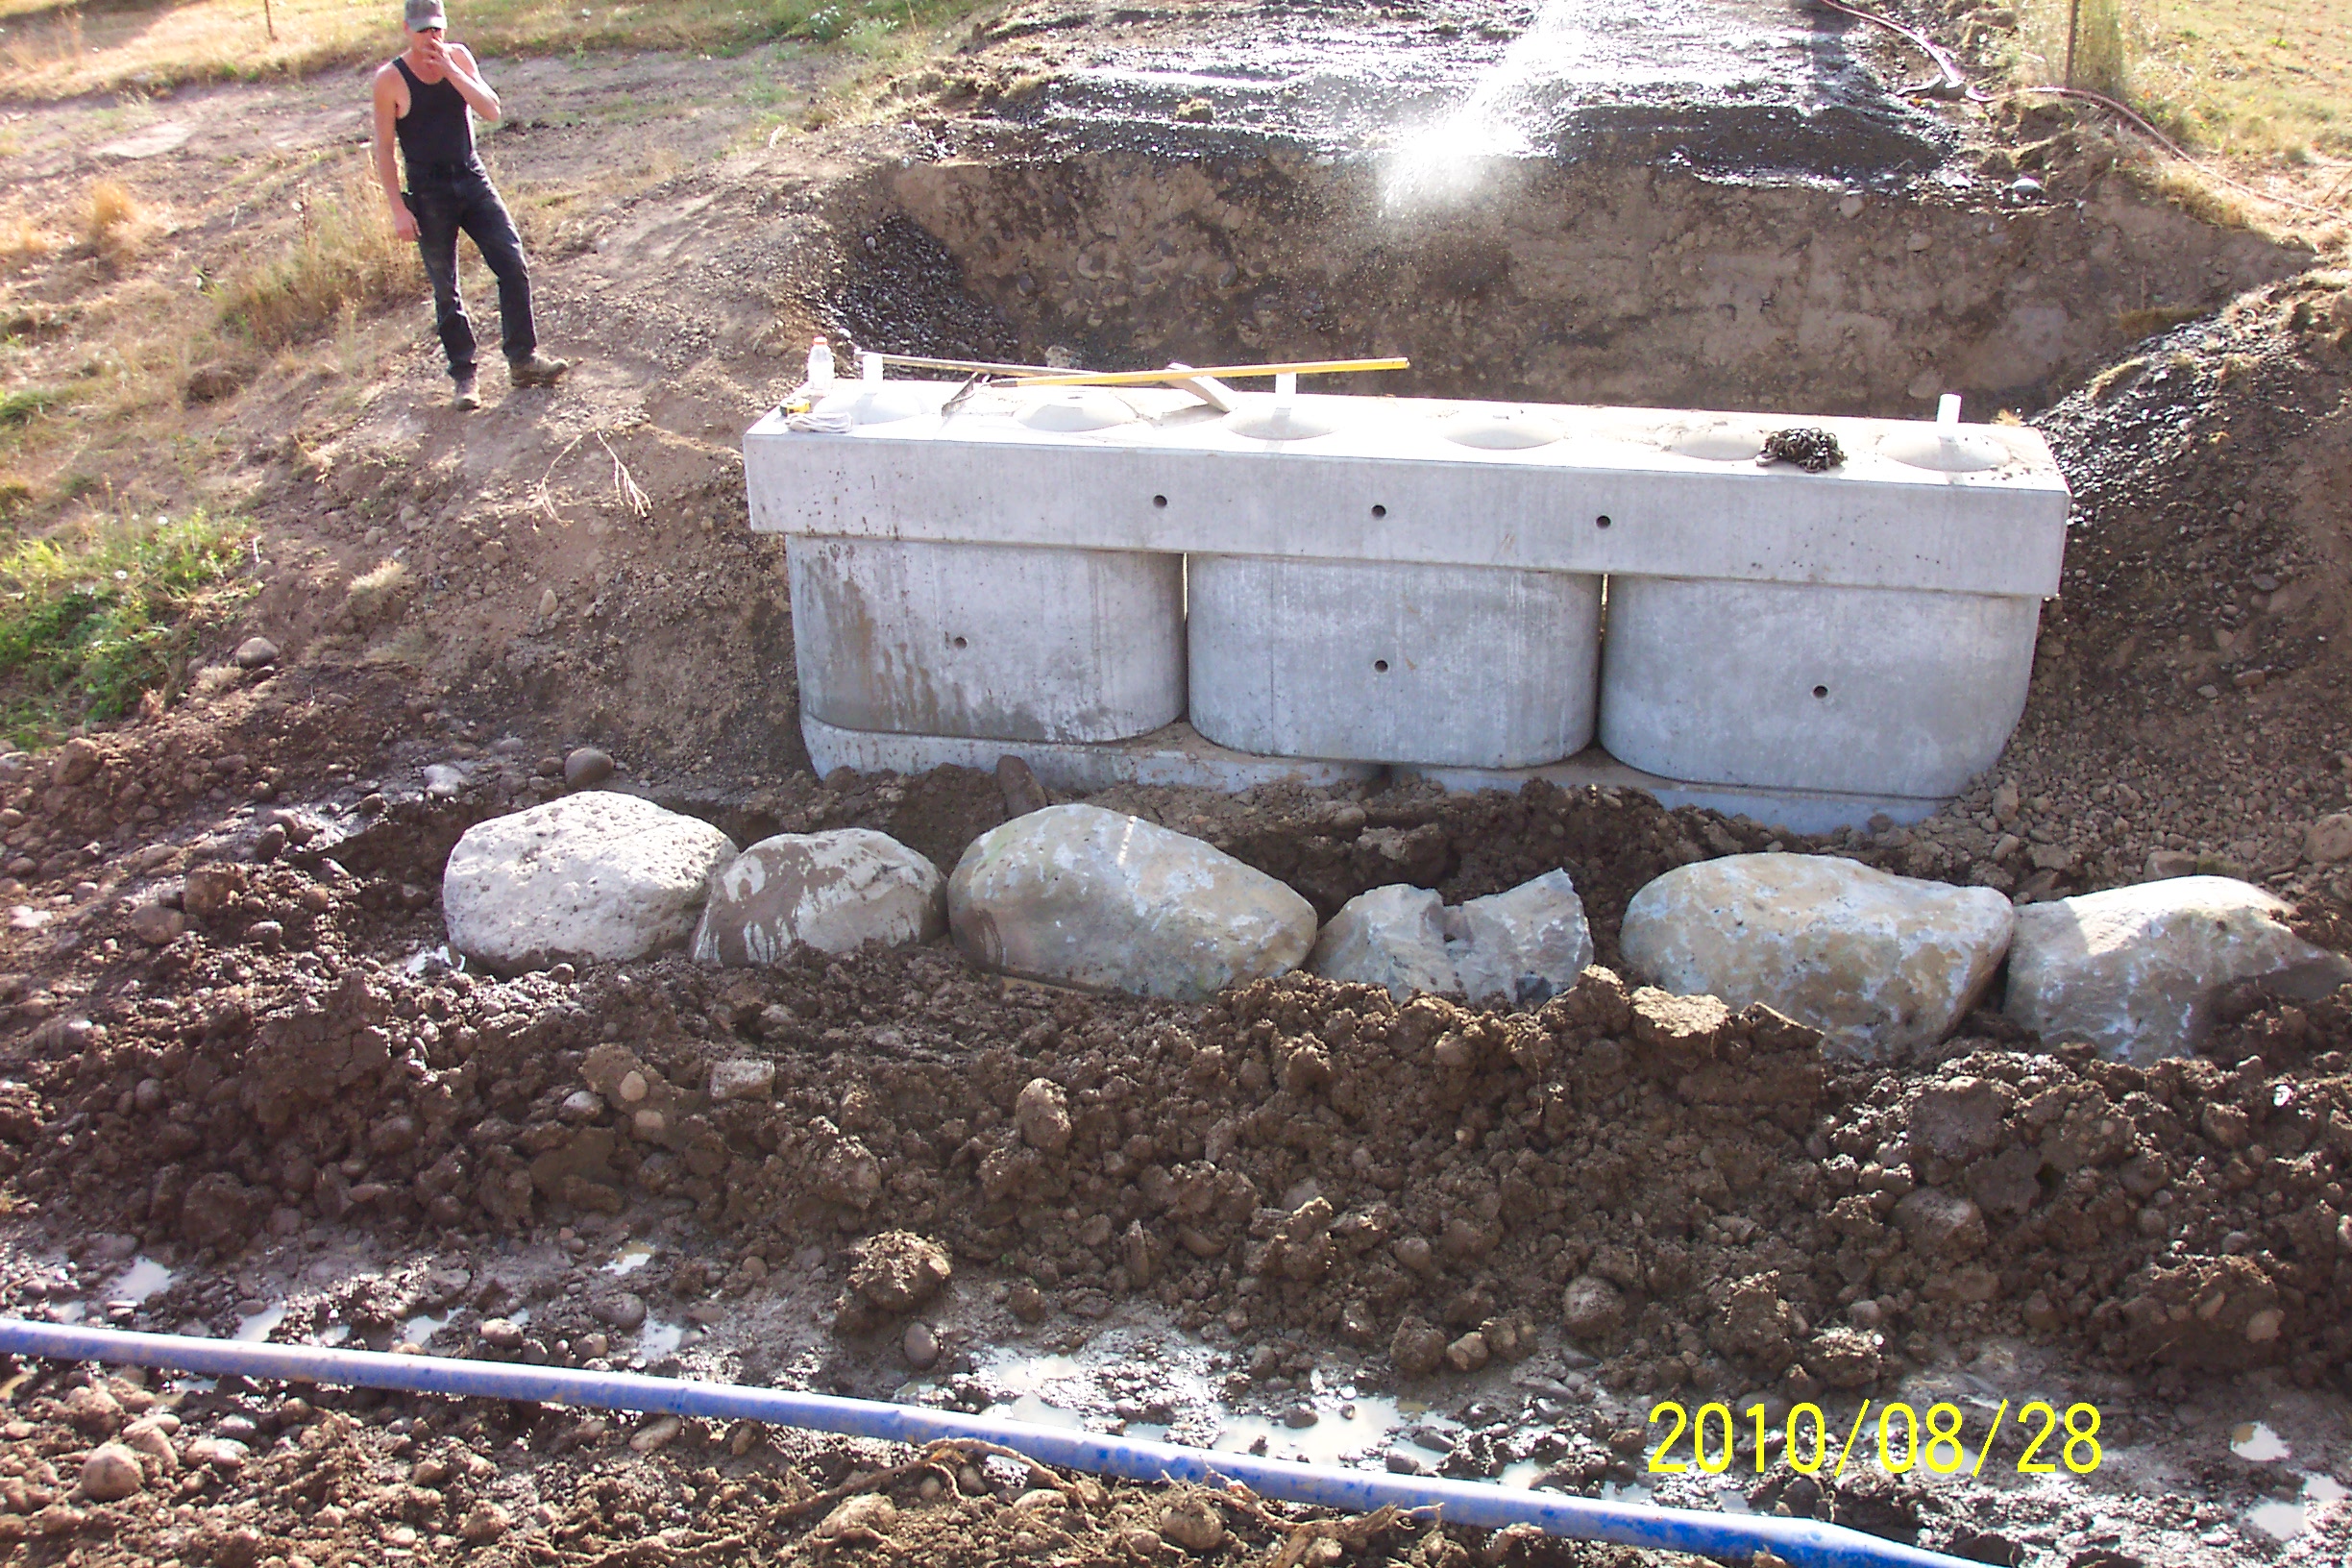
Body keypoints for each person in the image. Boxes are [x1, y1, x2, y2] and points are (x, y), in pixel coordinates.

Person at [372, 0, 567, 409]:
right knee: (446, 288)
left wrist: (452, 72)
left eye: (437, 29)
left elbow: (491, 110)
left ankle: (523, 359)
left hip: (471, 175)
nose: (432, 38)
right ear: (408, 30)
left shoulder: (457, 57)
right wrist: (398, 209)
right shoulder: (390, 79)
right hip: (428, 189)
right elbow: (385, 149)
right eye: (423, 30)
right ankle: (465, 376)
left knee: (512, 262)